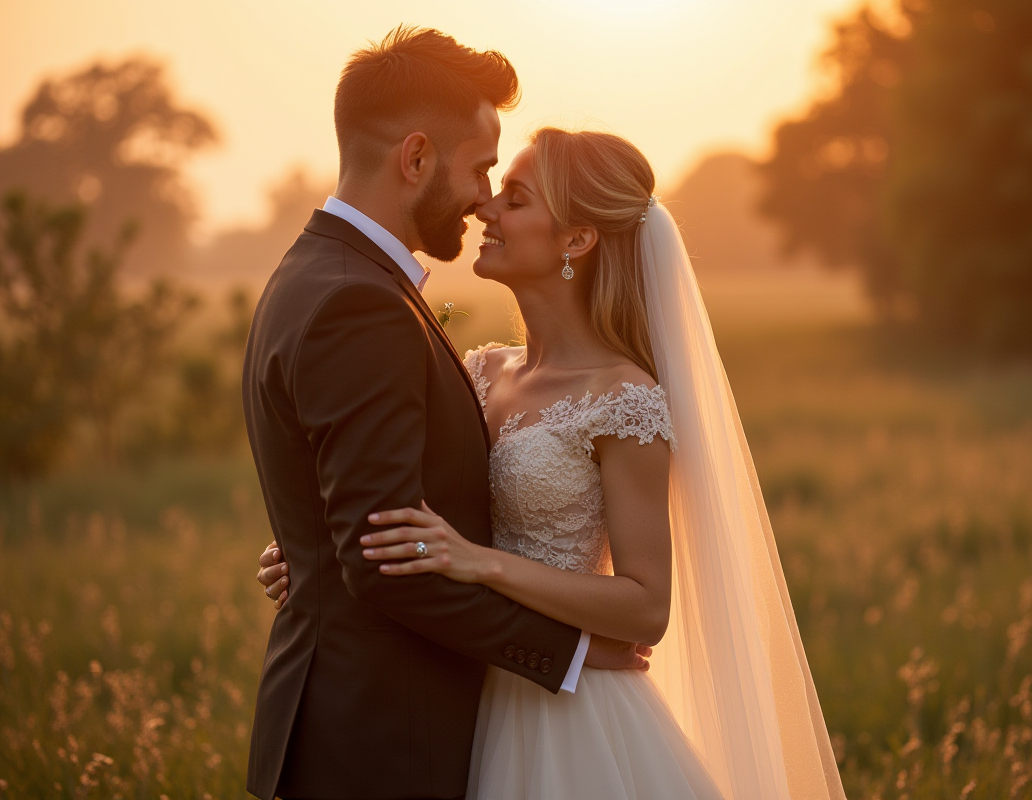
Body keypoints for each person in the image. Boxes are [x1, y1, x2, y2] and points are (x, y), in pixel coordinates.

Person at [256, 122, 847, 797]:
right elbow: (397, 508)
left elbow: (647, 606)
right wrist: (322, 551)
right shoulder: (477, 371)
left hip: (570, 721)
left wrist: (481, 562)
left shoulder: (623, 399)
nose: (486, 209)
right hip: (465, 690)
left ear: (576, 240)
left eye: (515, 198)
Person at [240, 28, 649, 800]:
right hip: (377, 743)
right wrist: (562, 650)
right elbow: (384, 564)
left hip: (400, 724)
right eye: (481, 170)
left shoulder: (315, 273)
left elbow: (371, 527)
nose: (485, 200)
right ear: (416, 159)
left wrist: (325, 556)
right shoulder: (360, 303)